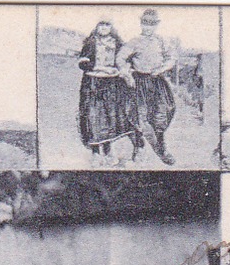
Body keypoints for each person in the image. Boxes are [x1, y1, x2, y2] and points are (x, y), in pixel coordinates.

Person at [76, 20, 139, 163]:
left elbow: (126, 60)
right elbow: (83, 63)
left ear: (112, 27)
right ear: (96, 27)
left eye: (107, 25)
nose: (104, 28)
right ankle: (95, 152)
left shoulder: (117, 43)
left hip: (112, 83)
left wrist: (123, 70)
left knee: (110, 117)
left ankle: (109, 150)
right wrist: (102, 68)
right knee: (92, 116)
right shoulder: (90, 43)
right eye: (101, 25)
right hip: (92, 84)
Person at [123, 9, 179, 165]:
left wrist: (162, 69)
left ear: (156, 25)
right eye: (145, 23)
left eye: (152, 24)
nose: (148, 27)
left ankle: (161, 148)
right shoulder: (134, 41)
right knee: (139, 115)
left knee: (163, 112)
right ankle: (138, 148)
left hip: (157, 81)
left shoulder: (161, 41)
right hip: (139, 82)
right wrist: (127, 74)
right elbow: (121, 59)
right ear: (141, 24)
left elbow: (171, 57)